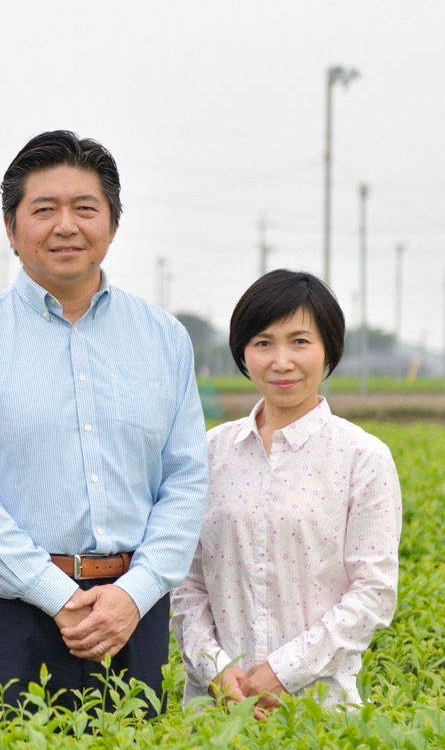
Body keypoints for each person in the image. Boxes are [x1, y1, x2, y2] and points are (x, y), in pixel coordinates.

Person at [0, 129, 208, 731]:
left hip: (132, 610)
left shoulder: (163, 339)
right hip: (7, 611)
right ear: (10, 228)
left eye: (85, 208)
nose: (66, 225)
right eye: (43, 209)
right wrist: (56, 595)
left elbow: (185, 477)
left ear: (113, 223)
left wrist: (136, 593)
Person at [171, 269, 400, 719]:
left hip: (318, 709)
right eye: (263, 343)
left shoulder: (362, 457)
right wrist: (218, 669)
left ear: (328, 349)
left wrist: (282, 672)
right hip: (217, 709)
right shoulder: (209, 453)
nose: (281, 361)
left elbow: (373, 592)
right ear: (243, 352)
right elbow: (185, 580)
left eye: (300, 342)